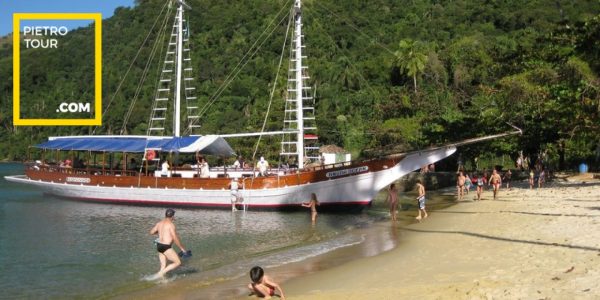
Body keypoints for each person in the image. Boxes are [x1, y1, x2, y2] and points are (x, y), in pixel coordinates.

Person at [149, 208, 187, 278]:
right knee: (177, 262)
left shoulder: (159, 223)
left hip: (159, 246)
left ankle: (163, 281)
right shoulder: (171, 225)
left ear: (165, 215)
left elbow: (151, 232)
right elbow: (175, 238)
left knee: (163, 266)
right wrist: (182, 248)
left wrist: (160, 231)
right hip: (166, 247)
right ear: (172, 216)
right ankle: (160, 274)